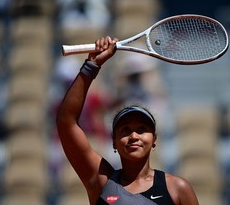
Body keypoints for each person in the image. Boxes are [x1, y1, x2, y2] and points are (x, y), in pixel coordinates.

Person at [56, 36, 199, 205]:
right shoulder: (101, 182)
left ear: (154, 140)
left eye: (141, 129)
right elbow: (66, 123)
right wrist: (92, 65)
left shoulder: (177, 188)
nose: (133, 136)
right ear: (114, 142)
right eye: (125, 130)